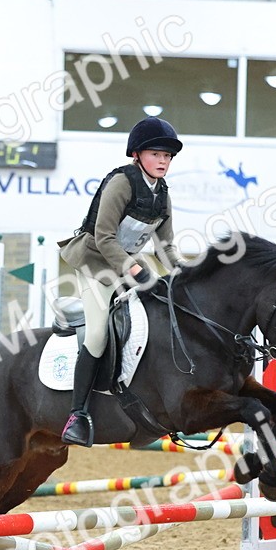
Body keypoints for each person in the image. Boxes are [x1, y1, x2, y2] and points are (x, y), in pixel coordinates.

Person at [56, 116, 185, 447]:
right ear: (137, 155)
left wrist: (184, 272)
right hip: (96, 263)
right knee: (98, 333)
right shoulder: (121, 183)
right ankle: (77, 414)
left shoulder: (162, 194)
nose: (163, 161)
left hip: (127, 265)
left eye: (167, 156)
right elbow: (104, 237)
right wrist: (134, 269)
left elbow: (165, 247)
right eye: (156, 154)